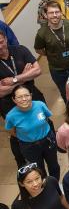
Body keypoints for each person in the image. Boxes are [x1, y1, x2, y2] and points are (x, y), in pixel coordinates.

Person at [0, 32, 44, 168]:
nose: (0, 46)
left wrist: (15, 79)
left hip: (33, 96)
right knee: (17, 133)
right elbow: (0, 92)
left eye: (1, 41)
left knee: (42, 121)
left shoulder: (20, 50)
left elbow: (38, 70)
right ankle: (23, 163)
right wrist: (25, 76)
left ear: (6, 39)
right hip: (9, 105)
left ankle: (47, 148)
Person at [34, 1, 69, 99]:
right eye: (51, 13)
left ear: (61, 12)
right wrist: (52, 54)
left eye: (57, 12)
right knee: (66, 94)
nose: (55, 15)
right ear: (45, 15)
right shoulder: (42, 33)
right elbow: (38, 49)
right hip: (58, 70)